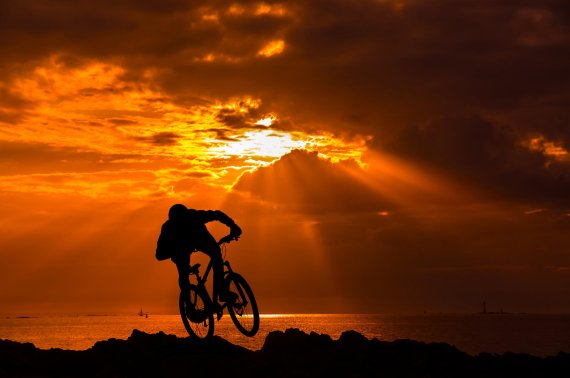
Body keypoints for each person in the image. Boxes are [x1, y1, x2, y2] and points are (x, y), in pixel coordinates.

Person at [156, 203, 242, 307]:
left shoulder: (193, 216)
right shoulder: (168, 228)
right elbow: (159, 255)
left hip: (201, 239)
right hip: (183, 247)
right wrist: (175, 252)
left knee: (216, 255)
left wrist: (233, 226)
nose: (183, 224)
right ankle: (189, 305)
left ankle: (221, 292)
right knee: (184, 271)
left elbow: (217, 214)